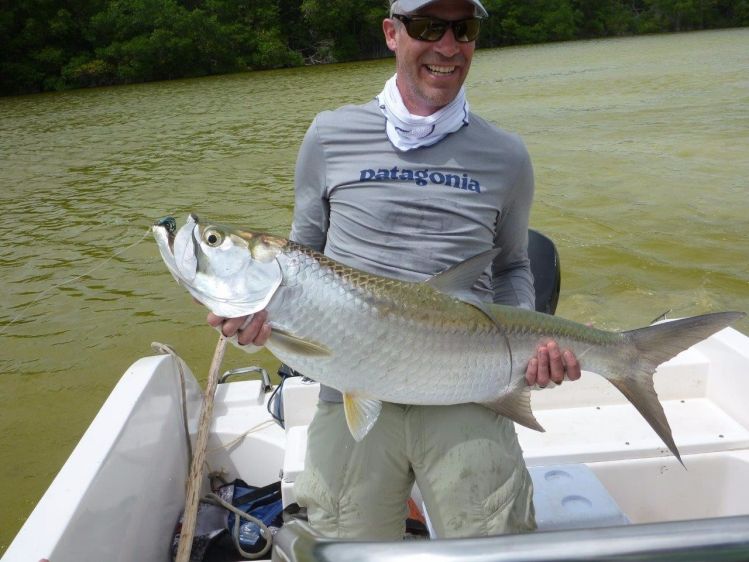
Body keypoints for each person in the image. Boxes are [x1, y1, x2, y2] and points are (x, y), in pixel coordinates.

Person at [209, 0, 581, 540]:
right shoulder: (329, 136)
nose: (448, 47)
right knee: (344, 543)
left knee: (496, 545)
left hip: (465, 386)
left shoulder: (507, 155)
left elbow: (514, 267)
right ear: (391, 32)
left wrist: (522, 347)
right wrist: (251, 327)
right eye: (429, 27)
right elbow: (300, 258)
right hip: (351, 379)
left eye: (464, 29)